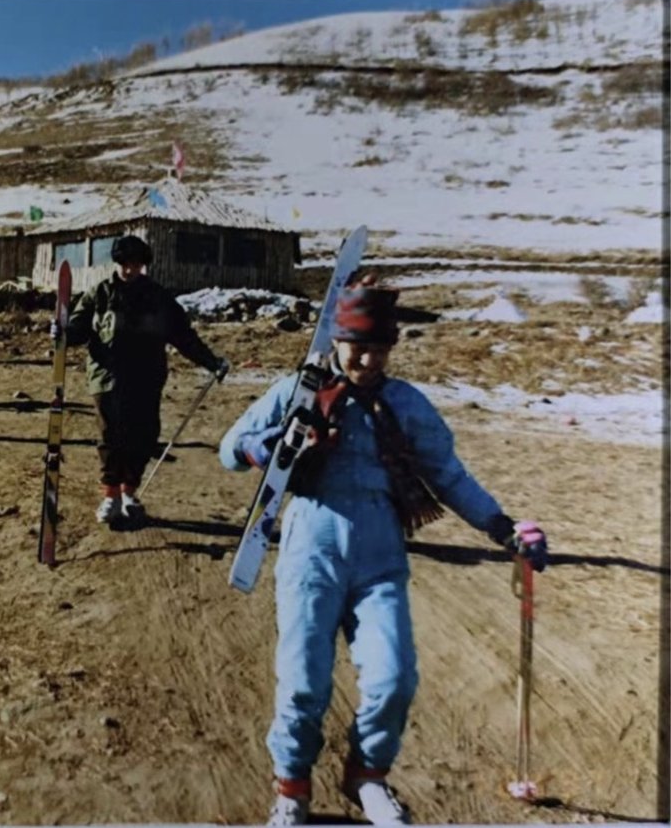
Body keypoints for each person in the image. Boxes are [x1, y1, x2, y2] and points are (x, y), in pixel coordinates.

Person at [217, 281, 550, 826]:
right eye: (357, 347)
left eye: (380, 349)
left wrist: (504, 527)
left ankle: (367, 777)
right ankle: (292, 788)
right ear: (336, 339)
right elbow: (230, 448)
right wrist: (264, 444)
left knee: (394, 678)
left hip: (379, 558)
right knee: (304, 681)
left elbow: (448, 476)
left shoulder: (404, 404)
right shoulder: (297, 391)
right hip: (311, 550)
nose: (368, 360)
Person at [56, 234, 230, 525]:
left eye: (135, 265)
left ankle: (129, 493)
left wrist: (211, 362)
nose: (129, 270)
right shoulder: (99, 294)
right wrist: (62, 334)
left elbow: (184, 337)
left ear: (143, 265)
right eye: (125, 264)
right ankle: (110, 496)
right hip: (107, 377)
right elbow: (78, 330)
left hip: (146, 377)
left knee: (143, 435)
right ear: (117, 263)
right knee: (111, 435)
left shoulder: (159, 298)